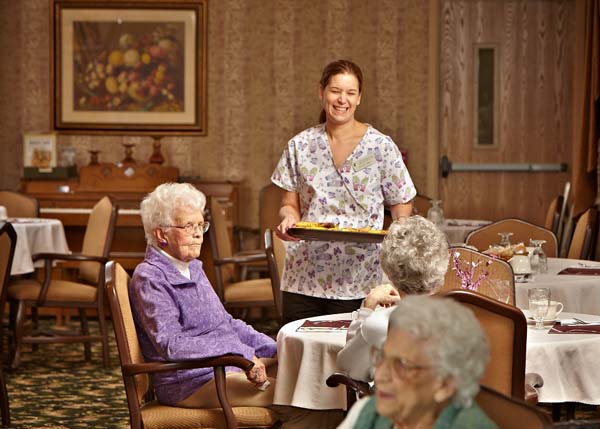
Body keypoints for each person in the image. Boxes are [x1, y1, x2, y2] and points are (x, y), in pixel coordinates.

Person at [271, 59, 417, 324]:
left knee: (352, 358)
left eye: (350, 93)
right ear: (321, 92)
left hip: (361, 277)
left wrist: (401, 230)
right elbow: (289, 203)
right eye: (335, 91)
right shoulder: (300, 145)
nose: (342, 99)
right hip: (304, 276)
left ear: (359, 98)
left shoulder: (380, 147)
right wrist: (288, 217)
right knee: (301, 354)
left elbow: (401, 202)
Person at [129, 182, 277, 410]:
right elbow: (173, 345)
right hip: (191, 382)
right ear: (161, 234)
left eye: (200, 225)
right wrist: (242, 353)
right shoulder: (150, 277)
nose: (199, 234)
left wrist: (276, 348)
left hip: (226, 367)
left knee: (302, 372)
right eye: (188, 226)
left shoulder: (192, 267)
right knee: (302, 397)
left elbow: (226, 324)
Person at [337, 295, 497, 429]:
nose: (380, 376)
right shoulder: (366, 412)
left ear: (445, 385)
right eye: (381, 357)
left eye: (402, 365)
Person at [336, 216, 449, 382]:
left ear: (389, 270)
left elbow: (347, 365)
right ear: (442, 265)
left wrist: (366, 312)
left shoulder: (380, 324)